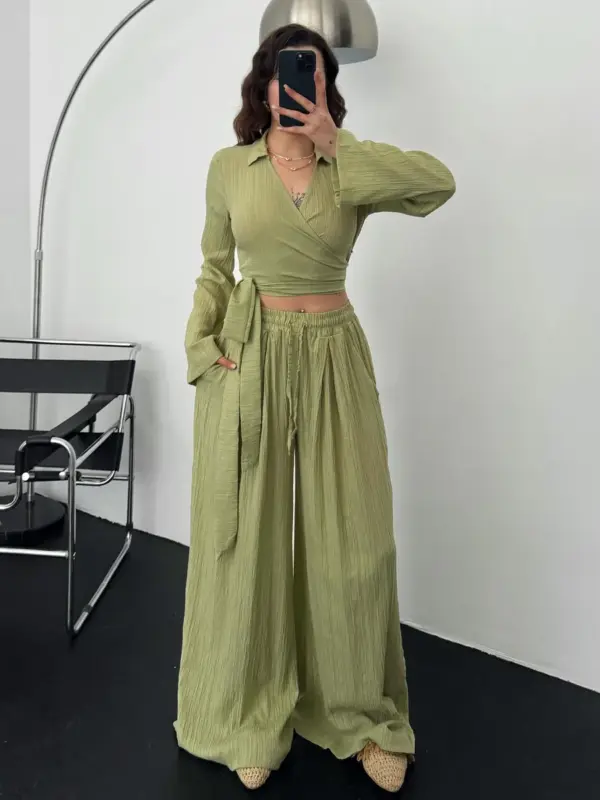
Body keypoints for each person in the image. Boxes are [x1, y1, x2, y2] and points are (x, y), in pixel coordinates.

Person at [175, 23, 455, 794]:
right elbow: (214, 267)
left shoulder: (346, 168)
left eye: (312, 76)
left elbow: (437, 185)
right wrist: (202, 348)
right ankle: (247, 714)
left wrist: (336, 143)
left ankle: (360, 718)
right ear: (263, 85)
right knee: (248, 537)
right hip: (252, 355)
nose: (295, 87)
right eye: (284, 73)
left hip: (335, 355)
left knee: (354, 538)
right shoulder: (230, 167)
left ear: (326, 89)